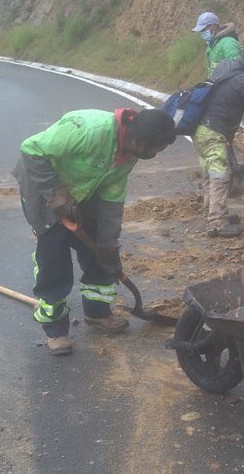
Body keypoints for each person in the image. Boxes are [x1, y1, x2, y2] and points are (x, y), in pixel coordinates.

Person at [13, 107, 177, 356]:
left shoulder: (130, 153)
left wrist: (109, 244)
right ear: (140, 142)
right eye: (156, 150)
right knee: (54, 259)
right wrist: (55, 191)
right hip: (42, 189)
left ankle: (97, 313)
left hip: (81, 191)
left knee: (100, 252)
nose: (155, 155)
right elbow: (31, 149)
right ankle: (55, 330)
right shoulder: (91, 130)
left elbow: (112, 197)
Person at [195, 40, 244, 237]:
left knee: (210, 172)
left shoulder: (225, 66)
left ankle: (212, 211)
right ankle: (216, 223)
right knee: (220, 174)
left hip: (200, 129)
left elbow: (227, 93)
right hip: (214, 132)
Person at [193, 11, 242, 77]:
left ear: (214, 25)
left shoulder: (228, 42)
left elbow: (237, 69)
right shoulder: (211, 44)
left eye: (204, 29)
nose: (202, 32)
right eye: (201, 31)